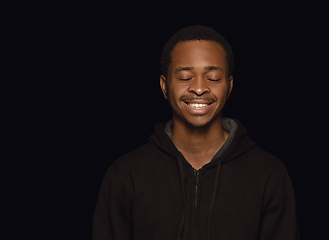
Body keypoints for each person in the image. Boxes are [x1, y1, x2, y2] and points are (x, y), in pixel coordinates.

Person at [92, 25, 299, 240]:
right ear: (164, 86)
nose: (199, 88)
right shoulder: (126, 174)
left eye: (213, 78)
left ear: (229, 86)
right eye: (184, 77)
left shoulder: (268, 173)